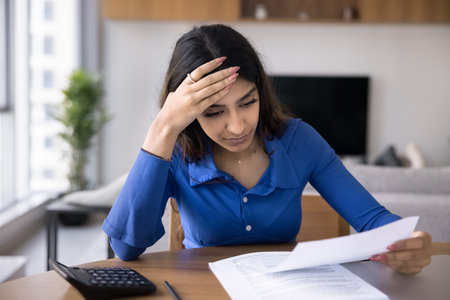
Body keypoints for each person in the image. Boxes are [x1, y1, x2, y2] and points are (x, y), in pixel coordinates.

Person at [103, 24, 432, 274]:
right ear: (187, 112)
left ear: (261, 90)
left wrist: (409, 241)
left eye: (247, 102)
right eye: (214, 112)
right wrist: (162, 129)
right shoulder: (174, 151)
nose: (237, 126)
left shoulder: (300, 140)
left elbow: (373, 218)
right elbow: (126, 249)